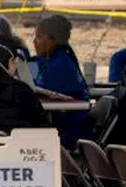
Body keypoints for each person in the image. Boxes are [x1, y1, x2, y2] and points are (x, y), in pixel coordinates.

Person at [32, 15, 90, 149]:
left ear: (53, 41)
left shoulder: (60, 66)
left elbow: (44, 92)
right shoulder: (56, 61)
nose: (34, 42)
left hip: (67, 132)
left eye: (39, 37)